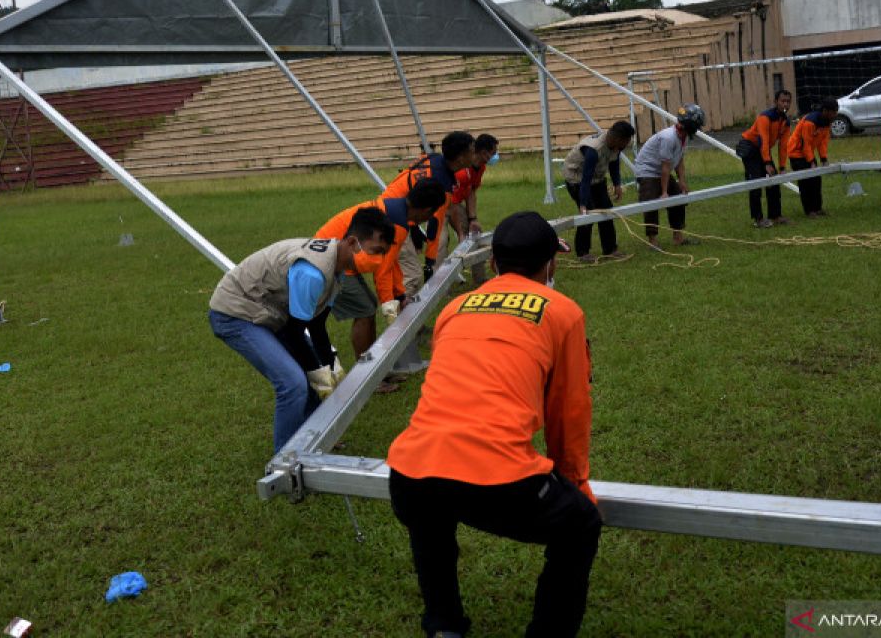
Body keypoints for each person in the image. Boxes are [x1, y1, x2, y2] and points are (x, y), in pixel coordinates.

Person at [387, 211, 601, 638]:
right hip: (496, 482)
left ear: (497, 263)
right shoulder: (563, 312)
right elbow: (569, 409)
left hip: (409, 472)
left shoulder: (452, 309)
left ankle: (443, 626)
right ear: (550, 264)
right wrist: (575, 482)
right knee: (580, 524)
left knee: (431, 520)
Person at [208, 208, 394, 452]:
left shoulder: (336, 268)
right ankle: (286, 461)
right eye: (375, 251)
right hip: (235, 313)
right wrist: (318, 371)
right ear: (351, 242)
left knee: (310, 375)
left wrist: (329, 364)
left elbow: (316, 325)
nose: (378, 260)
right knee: (293, 383)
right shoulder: (314, 272)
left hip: (269, 313)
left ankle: (314, 440)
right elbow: (294, 333)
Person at [313, 180, 447, 361]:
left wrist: (399, 295)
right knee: (365, 309)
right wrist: (389, 305)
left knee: (367, 306)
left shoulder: (399, 210)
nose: (428, 219)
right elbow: (382, 270)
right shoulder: (398, 223)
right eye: (432, 214)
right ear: (427, 210)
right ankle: (367, 371)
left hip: (334, 255)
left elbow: (391, 262)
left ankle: (372, 366)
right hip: (330, 261)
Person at [383, 131, 475, 297]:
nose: (474, 155)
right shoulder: (442, 183)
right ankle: (401, 321)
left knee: (404, 273)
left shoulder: (437, 160)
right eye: (472, 151)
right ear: (461, 158)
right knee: (413, 275)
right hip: (391, 220)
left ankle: (406, 318)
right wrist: (430, 262)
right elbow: (434, 224)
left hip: (392, 211)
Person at [632, 104, 704, 249]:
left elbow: (679, 160)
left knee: (678, 197)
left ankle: (678, 237)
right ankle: (652, 241)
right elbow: (665, 168)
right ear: (690, 125)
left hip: (660, 169)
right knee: (651, 202)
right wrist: (664, 192)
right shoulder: (668, 138)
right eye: (696, 126)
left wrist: (681, 182)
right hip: (648, 170)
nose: (697, 130)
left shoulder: (683, 137)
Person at [561, 120, 635, 262]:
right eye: (626, 141)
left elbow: (614, 165)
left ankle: (610, 249)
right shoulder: (593, 150)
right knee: (588, 213)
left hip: (597, 179)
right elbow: (586, 179)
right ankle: (582, 252)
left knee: (607, 210)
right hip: (577, 179)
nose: (627, 145)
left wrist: (617, 184)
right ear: (618, 139)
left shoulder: (616, 147)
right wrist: (583, 203)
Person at [448, 133, 499, 283]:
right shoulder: (462, 172)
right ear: (484, 152)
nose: (495, 156)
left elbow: (471, 192)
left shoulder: (480, 168)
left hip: (456, 203)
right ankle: (442, 285)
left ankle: (480, 278)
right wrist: (460, 231)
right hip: (446, 205)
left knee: (476, 235)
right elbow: (452, 204)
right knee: (442, 242)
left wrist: (473, 219)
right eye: (494, 152)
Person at [737, 90, 792, 227]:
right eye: (782, 101)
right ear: (776, 102)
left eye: (788, 101)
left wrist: (782, 167)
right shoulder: (765, 117)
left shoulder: (785, 122)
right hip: (750, 148)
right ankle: (758, 219)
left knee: (773, 180)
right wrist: (767, 162)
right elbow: (763, 140)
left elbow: (783, 146)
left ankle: (775, 215)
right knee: (756, 182)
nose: (785, 104)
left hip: (763, 150)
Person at [786, 96, 838, 217]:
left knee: (816, 181)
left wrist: (823, 159)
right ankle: (809, 211)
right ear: (825, 111)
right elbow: (806, 143)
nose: (835, 115)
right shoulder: (810, 121)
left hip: (807, 152)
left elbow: (823, 142)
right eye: (833, 112)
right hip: (796, 153)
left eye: (836, 112)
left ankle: (818, 208)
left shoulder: (827, 122)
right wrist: (811, 161)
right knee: (805, 182)